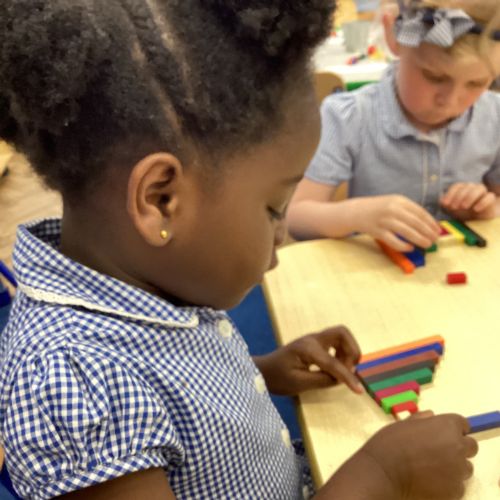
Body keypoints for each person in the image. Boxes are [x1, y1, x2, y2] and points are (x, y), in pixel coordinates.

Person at [0, 1, 476, 498]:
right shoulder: (71, 381)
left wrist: (262, 372)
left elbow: (168, 387)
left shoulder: (144, 272)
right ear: (160, 200)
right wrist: (384, 474)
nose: (281, 235)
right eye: (273, 208)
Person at [287, 0, 500, 253]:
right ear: (394, 35)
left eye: (477, 83)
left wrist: (486, 209)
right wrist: (357, 215)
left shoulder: (494, 115)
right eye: (434, 77)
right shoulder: (347, 117)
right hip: (373, 269)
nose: (451, 101)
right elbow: (296, 217)